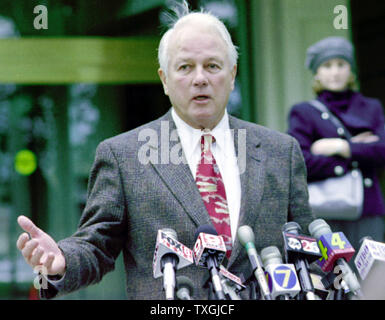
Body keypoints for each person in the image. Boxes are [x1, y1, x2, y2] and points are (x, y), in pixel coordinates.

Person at [16, 3, 313, 300]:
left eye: (212, 66)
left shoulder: (280, 152)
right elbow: (96, 245)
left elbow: (307, 251)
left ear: (232, 74)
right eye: (185, 67)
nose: (200, 79)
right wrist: (61, 261)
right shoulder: (123, 156)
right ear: (164, 79)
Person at [288, 36, 385, 252]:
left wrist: (340, 147)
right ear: (317, 73)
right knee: (332, 279)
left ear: (350, 70)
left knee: (372, 281)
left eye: (341, 64)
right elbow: (299, 163)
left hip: (368, 210)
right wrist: (353, 159)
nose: (335, 71)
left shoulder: (371, 107)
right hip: (323, 213)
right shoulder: (304, 112)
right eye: (327, 65)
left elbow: (382, 150)